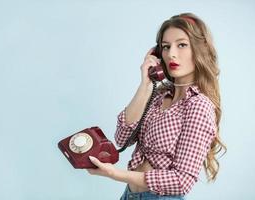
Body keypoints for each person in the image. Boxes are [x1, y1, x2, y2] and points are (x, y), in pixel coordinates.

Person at [87, 13, 226, 199]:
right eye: (166, 47)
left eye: (182, 45)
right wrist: (145, 84)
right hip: (129, 195)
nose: (171, 54)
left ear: (199, 49)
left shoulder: (198, 106)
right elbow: (122, 137)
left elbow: (181, 181)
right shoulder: (158, 95)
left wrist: (115, 174)